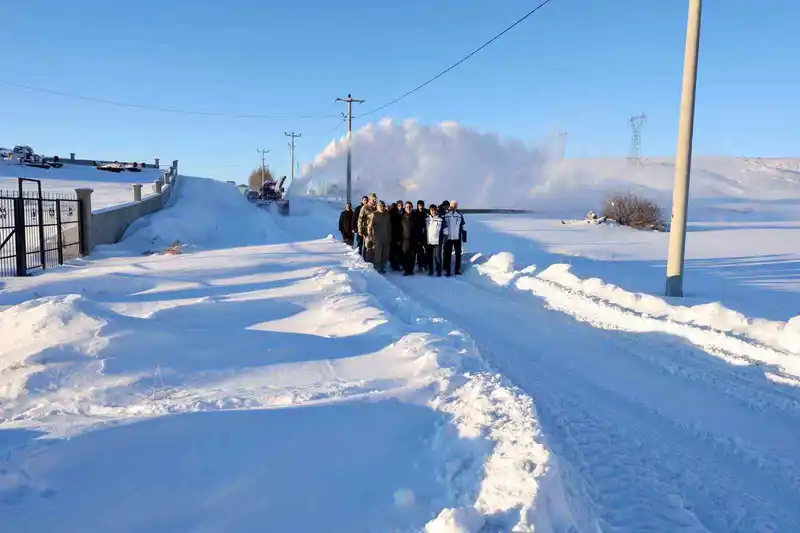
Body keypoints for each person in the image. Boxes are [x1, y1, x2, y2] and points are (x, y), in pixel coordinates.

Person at [443, 200, 466, 276]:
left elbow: (463, 226)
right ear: (450, 206)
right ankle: (447, 271)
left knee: (458, 254)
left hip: (457, 238)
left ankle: (457, 270)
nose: (454, 207)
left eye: (455, 206)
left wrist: (464, 236)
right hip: (448, 238)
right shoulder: (446, 214)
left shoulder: (459, 215)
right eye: (452, 205)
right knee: (447, 254)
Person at [368, 200, 392, 274]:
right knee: (377, 252)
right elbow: (369, 227)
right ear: (377, 207)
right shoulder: (374, 214)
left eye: (383, 206)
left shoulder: (387, 215)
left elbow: (389, 226)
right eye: (380, 206)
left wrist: (390, 236)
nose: (382, 207)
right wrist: (370, 237)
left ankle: (383, 265)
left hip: (386, 236)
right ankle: (377, 265)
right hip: (377, 236)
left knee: (385, 252)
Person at [425, 204, 445, 277]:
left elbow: (444, 230)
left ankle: (439, 271)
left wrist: (443, 239)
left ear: (436, 211)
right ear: (430, 211)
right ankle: (430, 270)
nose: (433, 211)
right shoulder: (426, 219)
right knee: (429, 257)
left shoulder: (440, 219)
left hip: (437, 241)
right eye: (432, 210)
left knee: (437, 256)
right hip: (429, 241)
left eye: (434, 210)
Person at [358, 193, 377, 262]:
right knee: (368, 247)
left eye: (375, 199)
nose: (374, 200)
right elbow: (360, 219)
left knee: (374, 247)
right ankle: (366, 262)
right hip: (367, 231)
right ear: (369, 199)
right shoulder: (364, 207)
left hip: (375, 231)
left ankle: (373, 262)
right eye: (373, 199)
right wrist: (360, 230)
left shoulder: (376, 208)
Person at [413, 200, 428, 272]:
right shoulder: (415, 213)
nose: (421, 207)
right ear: (417, 206)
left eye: (422, 205)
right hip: (417, 234)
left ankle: (424, 264)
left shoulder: (425, 213)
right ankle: (419, 265)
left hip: (425, 235)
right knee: (418, 251)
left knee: (424, 251)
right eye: (420, 205)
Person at [401, 202, 416, 276]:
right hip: (405, 239)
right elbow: (399, 229)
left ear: (412, 207)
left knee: (412, 255)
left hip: (413, 238)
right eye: (407, 207)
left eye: (410, 207)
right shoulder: (402, 217)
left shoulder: (415, 216)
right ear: (405, 208)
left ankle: (411, 270)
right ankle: (406, 270)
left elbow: (418, 228)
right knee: (405, 255)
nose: (408, 208)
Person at [389, 202, 403, 271]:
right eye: (399, 205)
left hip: (401, 235)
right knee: (394, 251)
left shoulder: (403, 212)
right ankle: (394, 265)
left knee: (399, 251)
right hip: (394, 235)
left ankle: (398, 264)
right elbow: (394, 227)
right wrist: (397, 238)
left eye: (401, 205)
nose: (400, 206)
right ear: (397, 206)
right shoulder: (393, 213)